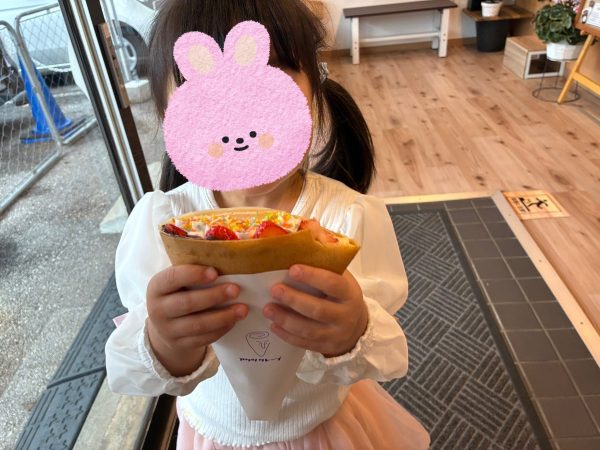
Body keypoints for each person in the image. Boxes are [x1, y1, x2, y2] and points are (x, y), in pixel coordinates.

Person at [105, 1, 430, 449]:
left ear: (313, 91)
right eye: (201, 88)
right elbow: (131, 368)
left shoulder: (348, 218)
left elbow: (385, 349)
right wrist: (165, 342)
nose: (239, 108)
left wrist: (352, 328)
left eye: (271, 72)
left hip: (321, 428)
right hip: (211, 432)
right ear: (168, 116)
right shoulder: (163, 226)